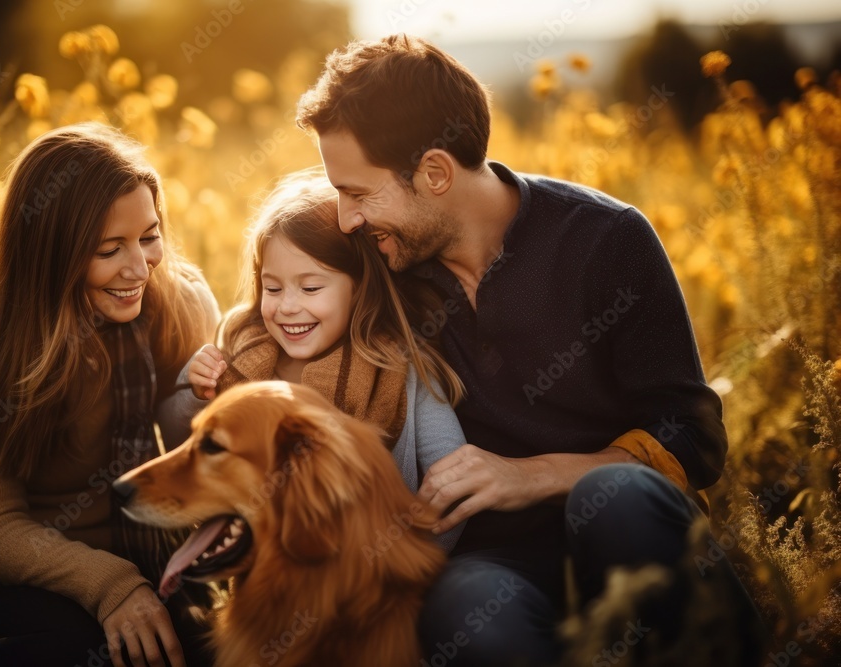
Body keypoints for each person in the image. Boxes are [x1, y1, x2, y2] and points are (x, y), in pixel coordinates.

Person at [295, 34, 764, 666]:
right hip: (498, 561)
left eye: (358, 193)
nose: (346, 218)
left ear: (434, 172)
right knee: (464, 611)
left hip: (626, 529)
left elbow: (693, 436)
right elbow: (290, 311)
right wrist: (221, 360)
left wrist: (529, 476)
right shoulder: (383, 261)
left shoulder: (606, 238)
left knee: (620, 500)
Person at [0, 123, 220, 667]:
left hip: (164, 562)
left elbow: (204, 447)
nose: (139, 268)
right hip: (32, 576)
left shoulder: (182, 302)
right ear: (49, 254)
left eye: (149, 236)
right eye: (110, 249)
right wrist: (112, 586)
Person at [160, 172, 468, 551]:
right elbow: (179, 443)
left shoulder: (402, 373)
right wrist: (195, 392)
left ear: (358, 289)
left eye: (310, 288)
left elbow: (450, 482)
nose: (288, 307)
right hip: (267, 573)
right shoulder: (242, 360)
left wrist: (406, 565)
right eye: (273, 288)